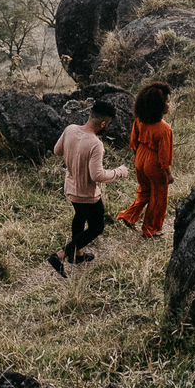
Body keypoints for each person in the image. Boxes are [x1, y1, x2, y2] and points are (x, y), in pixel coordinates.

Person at [46, 100, 129, 278]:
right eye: (109, 124)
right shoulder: (95, 144)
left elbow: (57, 151)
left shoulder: (70, 129)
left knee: (80, 216)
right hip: (86, 194)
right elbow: (97, 175)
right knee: (96, 227)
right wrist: (119, 172)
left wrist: (74, 154)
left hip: (70, 188)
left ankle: (78, 255)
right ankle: (60, 256)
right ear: (103, 123)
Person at [117, 81, 174, 239]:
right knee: (159, 196)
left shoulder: (139, 120)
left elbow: (133, 142)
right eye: (167, 102)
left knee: (144, 190)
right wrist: (169, 174)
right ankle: (151, 228)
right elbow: (164, 157)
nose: (169, 105)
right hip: (154, 163)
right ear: (159, 106)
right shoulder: (164, 128)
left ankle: (129, 216)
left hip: (140, 158)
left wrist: (138, 159)